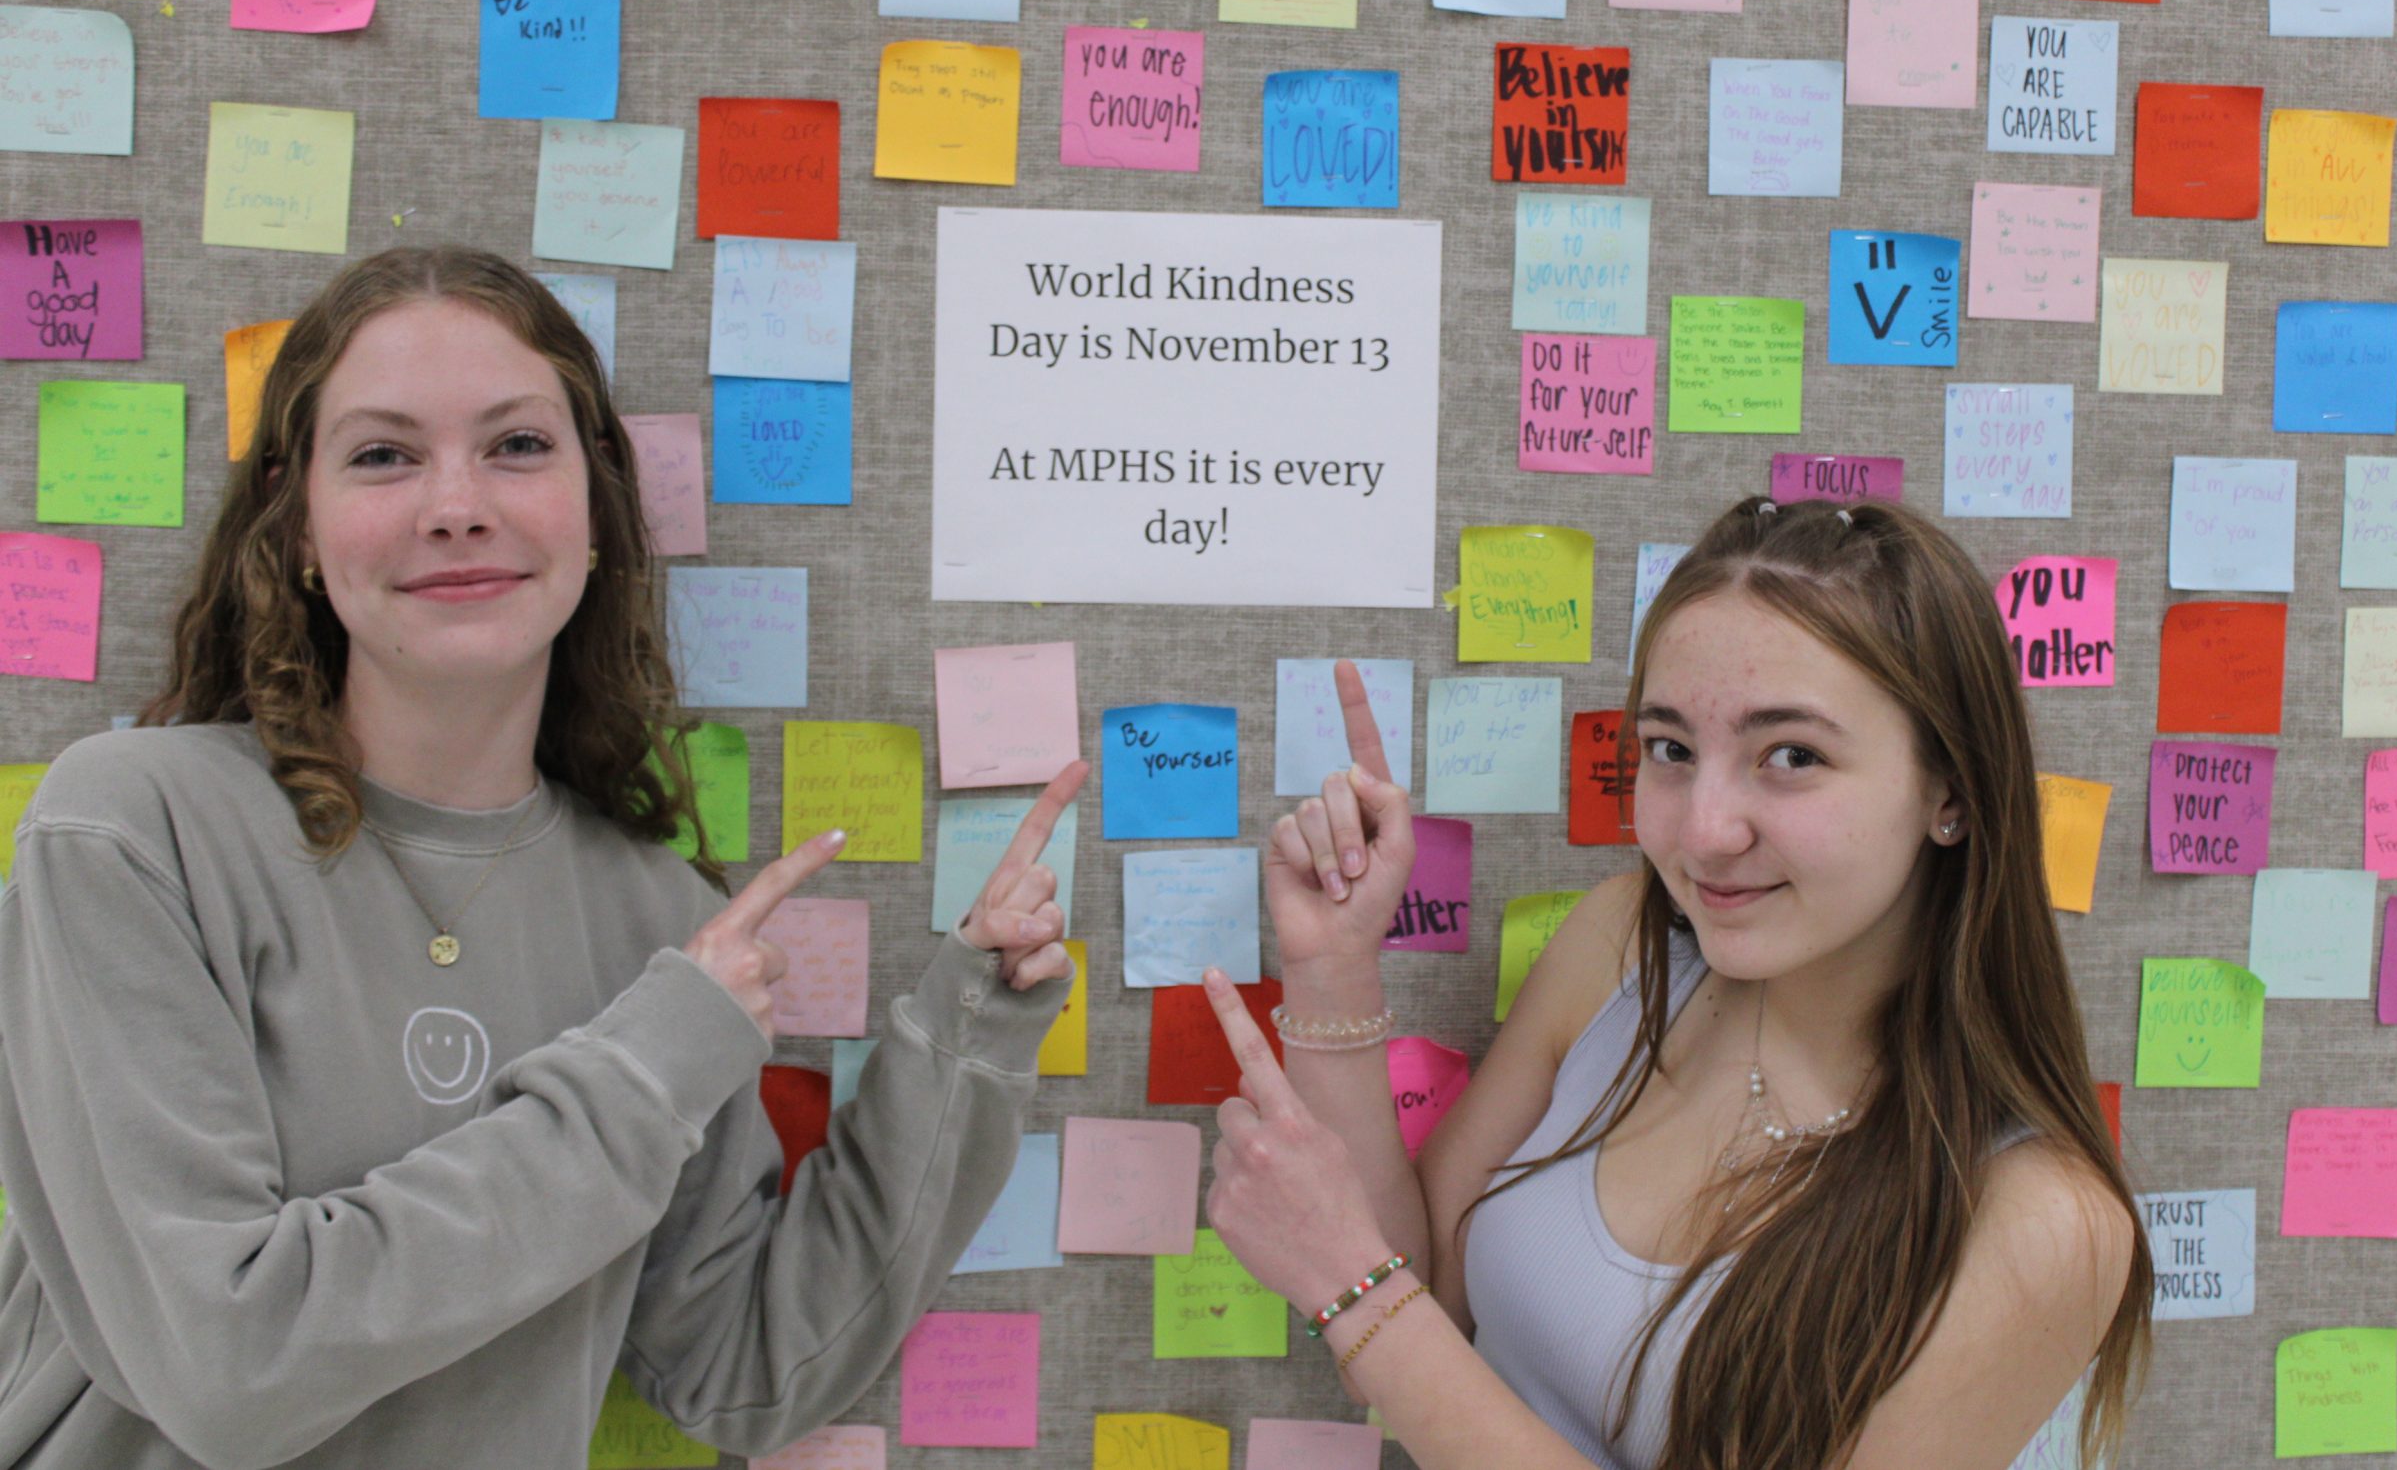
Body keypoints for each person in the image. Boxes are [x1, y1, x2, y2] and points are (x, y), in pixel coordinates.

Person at [0, 245, 1082, 1469]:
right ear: (297, 527)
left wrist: (967, 1034)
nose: (457, 503)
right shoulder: (133, 831)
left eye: (516, 445)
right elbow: (227, 1369)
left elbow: (739, 1375)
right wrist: (640, 1077)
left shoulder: (656, 923)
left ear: (595, 514)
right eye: (382, 454)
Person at [1199, 496, 2153, 1470]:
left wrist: (1358, 1291)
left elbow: (1384, 1313)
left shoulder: (2041, 1221)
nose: (1703, 832)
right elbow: (1427, 1294)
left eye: (1791, 756)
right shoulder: (1621, 947)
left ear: (1948, 790)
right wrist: (1331, 966)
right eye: (1671, 750)